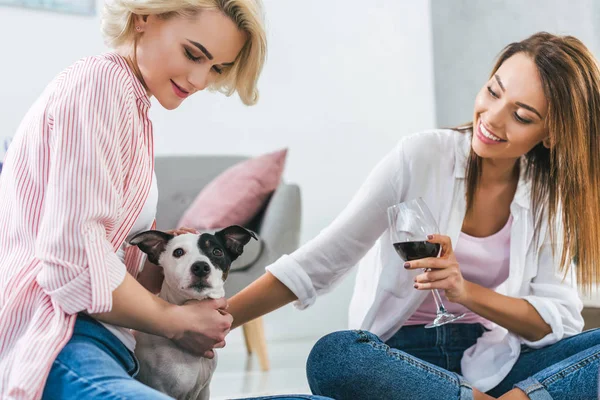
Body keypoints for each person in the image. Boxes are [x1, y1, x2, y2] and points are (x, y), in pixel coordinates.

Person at [228, 32, 600, 400]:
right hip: (402, 361)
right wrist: (209, 324)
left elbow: (557, 320)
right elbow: (319, 263)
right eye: (493, 91)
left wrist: (466, 292)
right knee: (336, 356)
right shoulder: (421, 156)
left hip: (493, 360)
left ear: (551, 134)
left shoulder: (547, 192)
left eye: (521, 115)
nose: (492, 118)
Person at [0, 0, 266, 398]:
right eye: (193, 54)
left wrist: (158, 270)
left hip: (109, 344)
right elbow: (73, 264)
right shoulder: (100, 84)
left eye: (216, 69)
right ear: (144, 16)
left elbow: (103, 261)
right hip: (62, 337)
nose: (198, 79)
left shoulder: (134, 108)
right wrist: (176, 321)